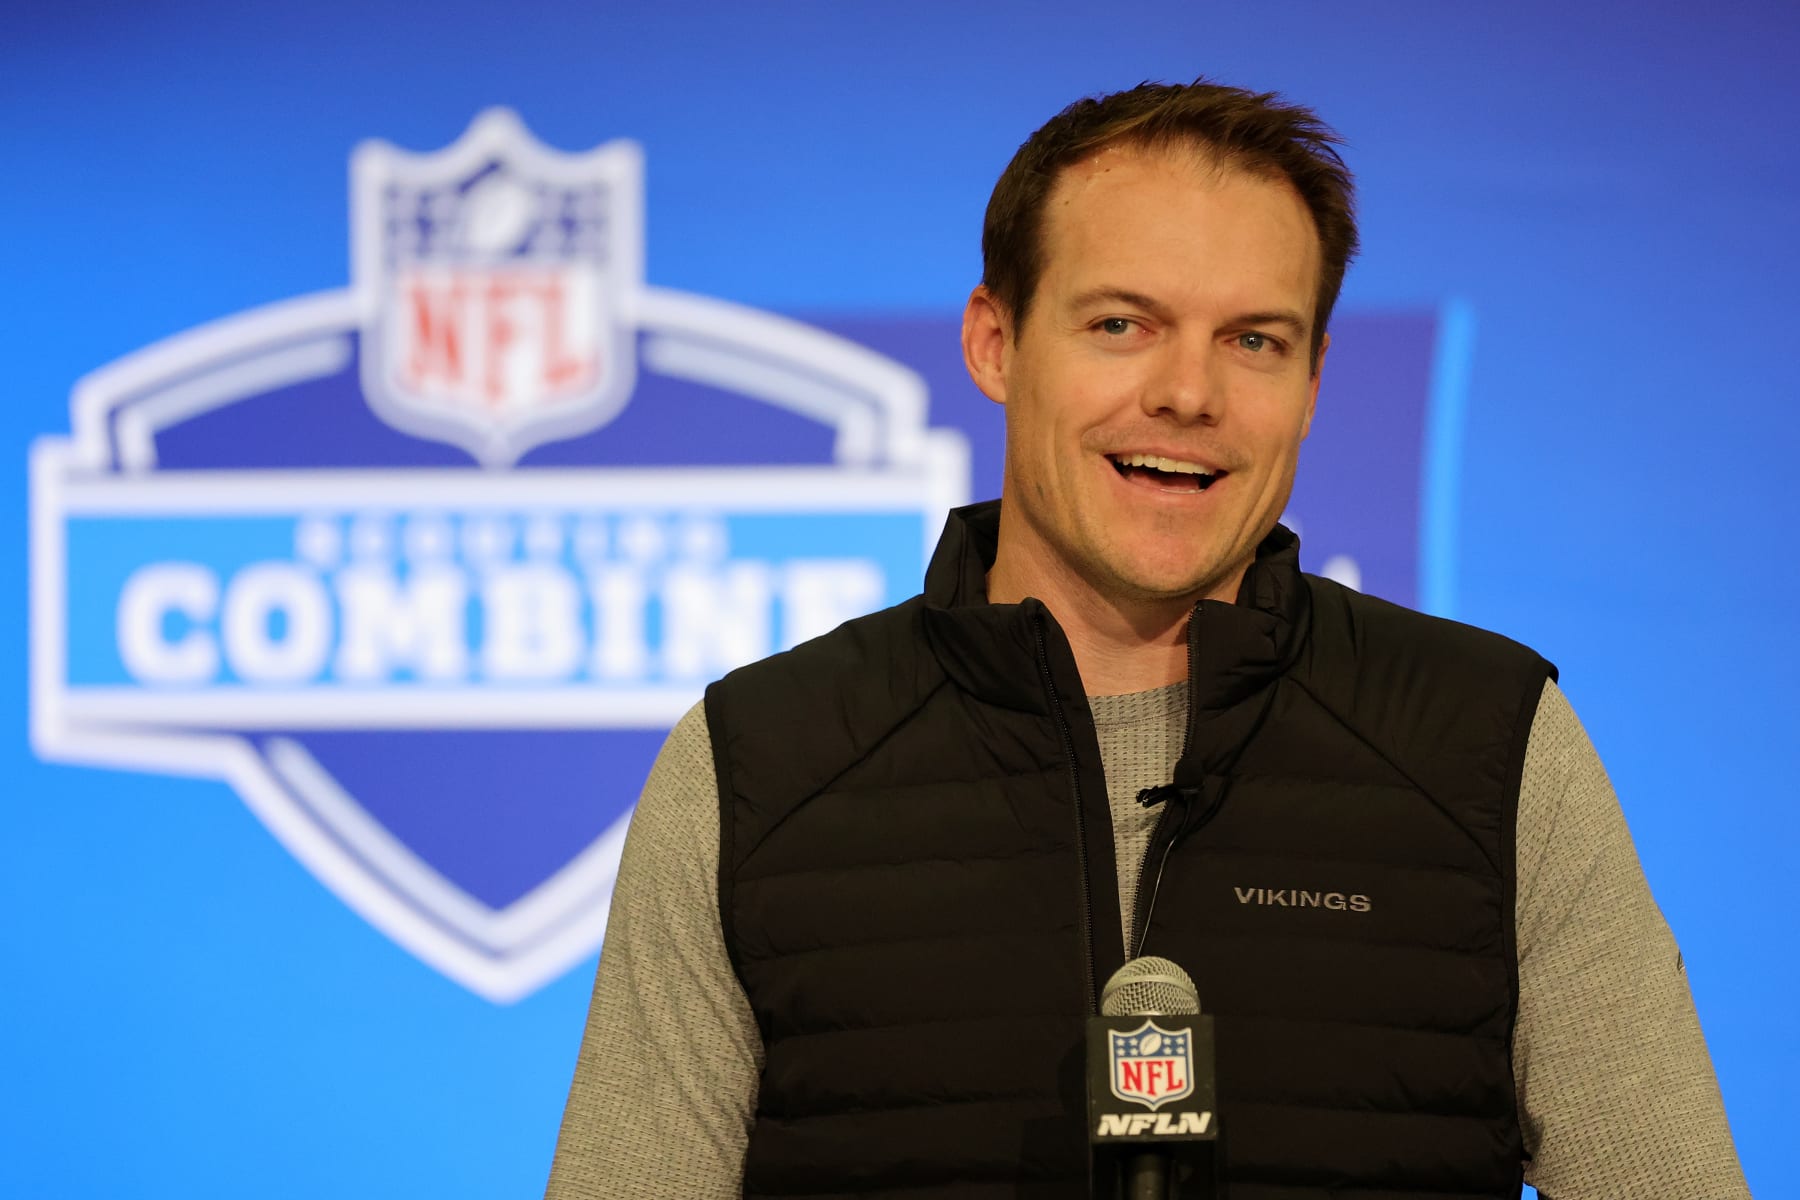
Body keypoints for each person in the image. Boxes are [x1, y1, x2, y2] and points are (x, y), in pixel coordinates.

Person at [546, 80, 1748, 1199]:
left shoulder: (1490, 744)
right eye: (1123, 324)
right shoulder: (758, 763)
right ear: (995, 344)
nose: (1188, 394)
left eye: (1255, 340)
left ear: (1318, 380)